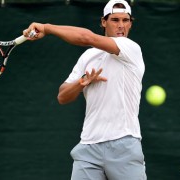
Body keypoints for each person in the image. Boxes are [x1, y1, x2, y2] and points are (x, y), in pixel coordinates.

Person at [23, 0, 146, 179]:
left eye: (125, 20)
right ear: (103, 22)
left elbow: (87, 37)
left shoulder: (131, 48)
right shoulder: (88, 56)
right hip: (88, 149)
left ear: (130, 23)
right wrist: (81, 82)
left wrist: (47, 28)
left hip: (124, 145)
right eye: (115, 20)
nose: (121, 26)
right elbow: (62, 96)